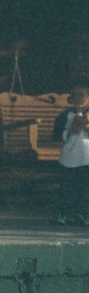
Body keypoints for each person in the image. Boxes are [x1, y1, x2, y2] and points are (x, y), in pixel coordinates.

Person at [52, 84, 89, 226]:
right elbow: (56, 135)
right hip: (70, 156)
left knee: (85, 187)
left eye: (82, 95)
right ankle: (65, 213)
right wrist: (70, 131)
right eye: (75, 95)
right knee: (68, 186)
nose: (78, 98)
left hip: (87, 157)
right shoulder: (65, 115)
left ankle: (83, 214)